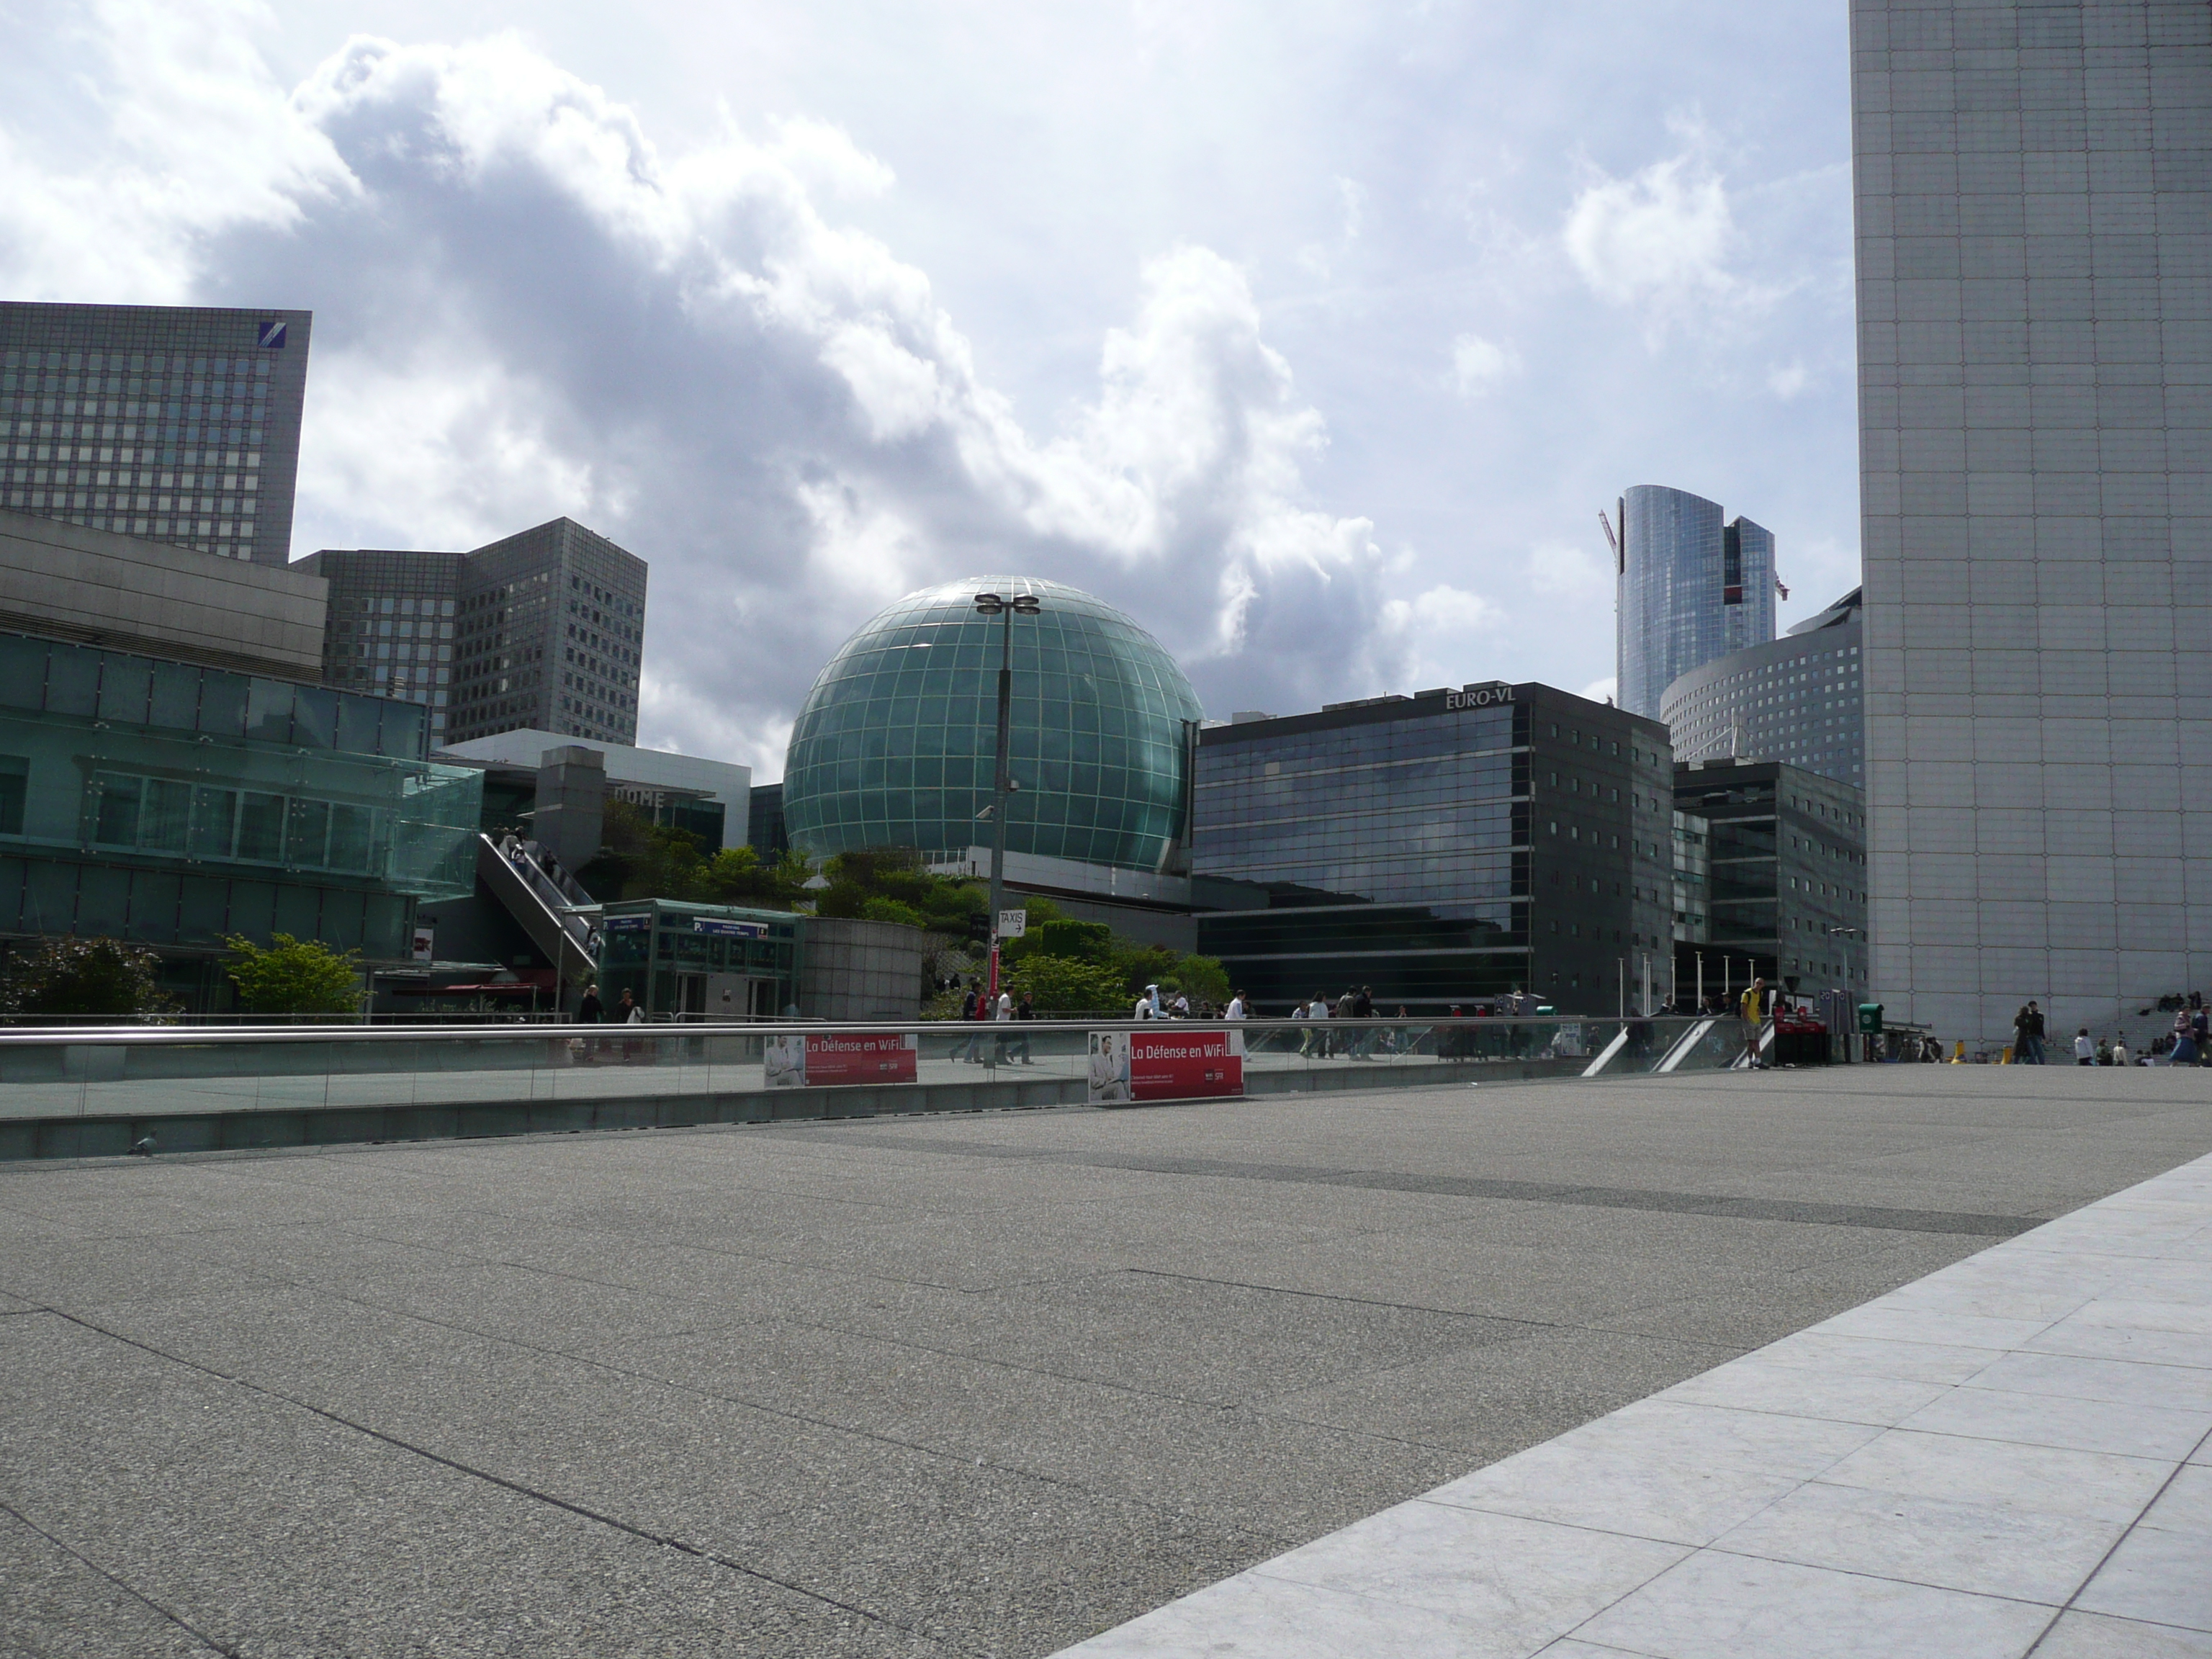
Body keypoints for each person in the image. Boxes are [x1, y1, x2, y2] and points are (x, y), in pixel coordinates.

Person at [1738, 977, 1768, 1069]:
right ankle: (1753, 1060)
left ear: (1763, 986)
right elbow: (1743, 1007)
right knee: (1751, 1042)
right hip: (1749, 1020)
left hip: (1756, 1019)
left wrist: (1758, 1011)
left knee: (1757, 1041)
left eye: (1760, 984)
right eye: (1757, 983)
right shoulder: (1747, 993)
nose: (1758, 985)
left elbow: (1755, 1005)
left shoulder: (1759, 994)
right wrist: (1747, 1019)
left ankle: (1756, 1061)